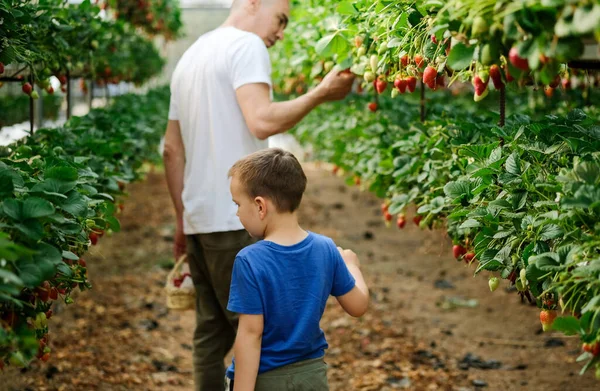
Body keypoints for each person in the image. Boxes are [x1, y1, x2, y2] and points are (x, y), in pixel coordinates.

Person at [162, 0, 355, 389]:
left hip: (202, 219)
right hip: (239, 218)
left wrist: (183, 220)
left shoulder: (192, 55)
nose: (280, 33)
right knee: (260, 335)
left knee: (210, 334)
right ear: (253, 3)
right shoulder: (246, 46)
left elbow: (171, 149)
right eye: (280, 19)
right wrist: (321, 93)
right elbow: (261, 118)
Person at [226, 148, 369, 391]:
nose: (237, 212)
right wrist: (352, 267)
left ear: (260, 206)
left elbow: (251, 336)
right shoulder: (325, 249)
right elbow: (358, 306)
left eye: (238, 204)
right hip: (311, 376)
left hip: (265, 379)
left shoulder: (249, 260)